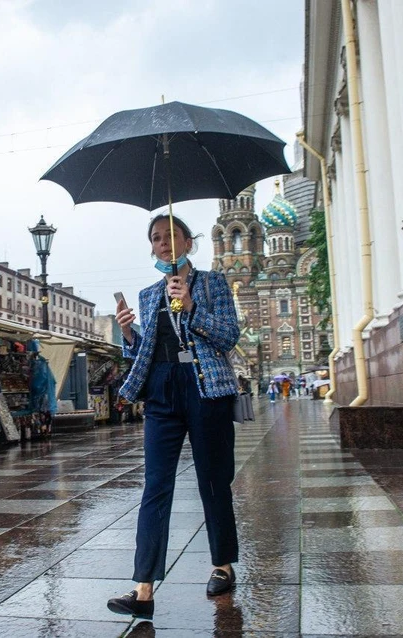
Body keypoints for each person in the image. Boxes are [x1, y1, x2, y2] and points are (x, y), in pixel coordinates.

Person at [106, 214, 240, 621]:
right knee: (155, 486)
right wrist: (129, 335)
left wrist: (193, 306)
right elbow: (147, 351)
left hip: (205, 389)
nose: (164, 243)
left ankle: (222, 564)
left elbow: (229, 336)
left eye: (172, 236)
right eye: (157, 238)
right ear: (152, 247)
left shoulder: (213, 283)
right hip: (162, 390)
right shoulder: (148, 295)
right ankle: (143, 589)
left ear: (188, 241)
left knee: (214, 481)